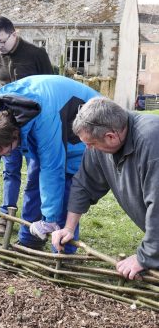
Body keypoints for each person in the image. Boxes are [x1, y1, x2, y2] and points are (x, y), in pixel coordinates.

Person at [0, 75, 100, 251]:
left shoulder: (45, 121)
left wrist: (50, 218)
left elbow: (52, 168)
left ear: (16, 135)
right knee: (34, 182)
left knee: (66, 188)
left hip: (84, 124)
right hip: (51, 114)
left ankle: (64, 253)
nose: (7, 156)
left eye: (8, 151)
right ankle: (29, 241)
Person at [52, 97, 159, 279]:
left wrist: (145, 257)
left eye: (91, 144)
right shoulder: (100, 145)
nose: (88, 148)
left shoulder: (151, 143)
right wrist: (69, 228)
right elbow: (84, 184)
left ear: (111, 136)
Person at [0, 16, 53, 236]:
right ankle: (6, 217)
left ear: (14, 34)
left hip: (34, 125)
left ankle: (31, 218)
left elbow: (49, 89)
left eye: (2, 42)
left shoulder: (36, 55)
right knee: (10, 169)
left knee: (35, 171)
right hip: (7, 124)